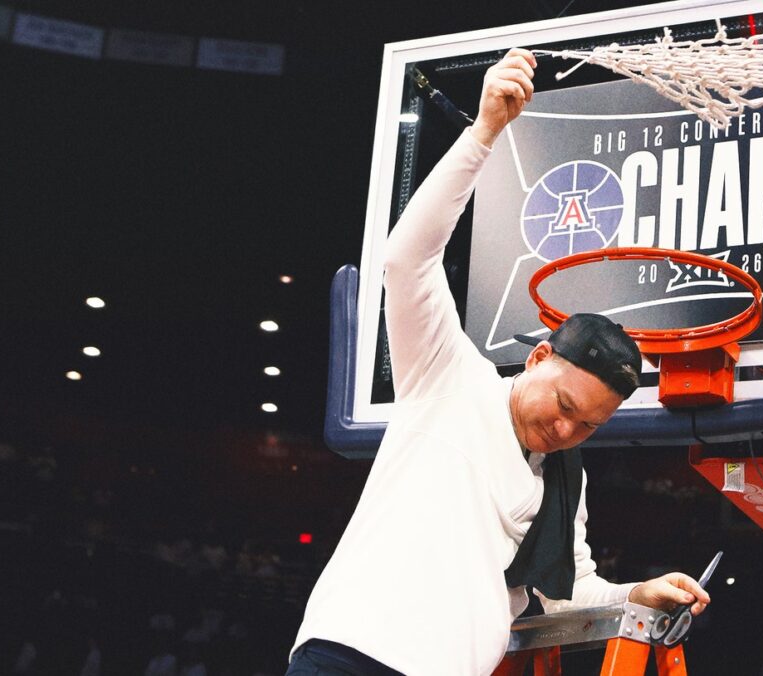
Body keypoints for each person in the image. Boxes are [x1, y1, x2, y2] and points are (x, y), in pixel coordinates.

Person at [287, 49, 711, 676]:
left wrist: (637, 594)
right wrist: (484, 131)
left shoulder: (564, 477)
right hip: (354, 654)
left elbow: (568, 593)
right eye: (564, 405)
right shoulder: (449, 375)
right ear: (538, 357)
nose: (566, 429)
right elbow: (406, 259)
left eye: (588, 425)